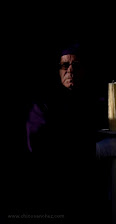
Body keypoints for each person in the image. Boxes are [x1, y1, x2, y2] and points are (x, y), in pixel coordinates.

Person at [24, 41, 100, 222]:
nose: (70, 70)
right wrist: (93, 150)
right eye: (65, 65)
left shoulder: (94, 103)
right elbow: (42, 147)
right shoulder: (43, 105)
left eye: (76, 65)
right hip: (54, 191)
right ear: (58, 70)